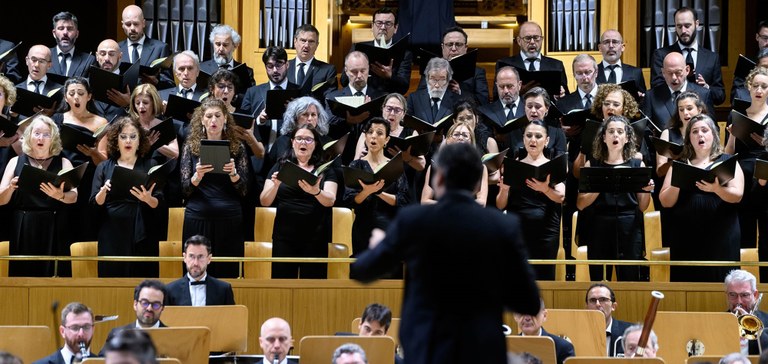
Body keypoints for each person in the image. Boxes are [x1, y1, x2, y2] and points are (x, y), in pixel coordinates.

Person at [351, 142, 541, 364]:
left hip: (427, 348)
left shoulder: (413, 220)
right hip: (481, 350)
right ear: (476, 183)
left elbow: (363, 270)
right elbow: (529, 303)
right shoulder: (502, 226)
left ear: (439, 178)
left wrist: (379, 246)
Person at [659, 114, 743, 282]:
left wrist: (716, 189)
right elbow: (665, 201)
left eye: (705, 130)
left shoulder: (727, 161)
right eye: (695, 132)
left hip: (721, 235)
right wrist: (679, 179)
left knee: (721, 281)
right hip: (685, 236)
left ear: (713, 134)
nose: (700, 135)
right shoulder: (679, 164)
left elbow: (737, 196)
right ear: (689, 138)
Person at [577, 115, 654, 281]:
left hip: (629, 225)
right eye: (611, 131)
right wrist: (602, 184)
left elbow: (642, 207)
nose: (615, 135)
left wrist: (647, 190)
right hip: (599, 225)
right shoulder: (593, 165)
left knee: (629, 278)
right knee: (598, 277)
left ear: (627, 138)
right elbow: (581, 204)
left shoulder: (636, 164)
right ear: (604, 137)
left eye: (620, 132)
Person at [0, 116, 76, 277]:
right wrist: (10, 188)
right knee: (23, 275)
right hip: (23, 225)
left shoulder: (63, 163)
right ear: (29, 136)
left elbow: (74, 197)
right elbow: (1, 200)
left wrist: (60, 195)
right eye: (37, 133)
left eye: (46, 134)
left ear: (53, 138)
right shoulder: (15, 161)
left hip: (53, 226)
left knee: (53, 276)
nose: (41, 138)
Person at [181, 98, 249, 278]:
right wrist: (197, 176)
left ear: (225, 118)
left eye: (218, 116)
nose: (213, 120)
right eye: (209, 116)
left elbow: (244, 191)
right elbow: (184, 190)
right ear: (202, 120)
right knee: (196, 272)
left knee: (227, 274)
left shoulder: (237, 148)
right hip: (198, 216)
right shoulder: (191, 147)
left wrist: (234, 174)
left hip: (229, 218)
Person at [260, 124, 337, 278]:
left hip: (316, 236)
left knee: (313, 287)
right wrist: (275, 186)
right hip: (284, 236)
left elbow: (330, 200)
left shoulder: (325, 169)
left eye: (308, 139)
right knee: (282, 284)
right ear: (292, 142)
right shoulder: (280, 166)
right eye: (299, 139)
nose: (303, 143)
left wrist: (316, 192)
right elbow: (264, 201)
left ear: (315, 144)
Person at [91, 117, 161, 277]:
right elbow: (94, 205)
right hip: (111, 232)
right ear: (116, 141)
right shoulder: (103, 167)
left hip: (142, 230)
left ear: (140, 140)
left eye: (133, 136)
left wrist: (148, 198)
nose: (128, 141)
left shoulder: (150, 165)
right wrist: (102, 193)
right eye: (123, 136)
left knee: (142, 280)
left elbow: (160, 203)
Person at [497, 119, 565, 280]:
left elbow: (561, 196)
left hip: (546, 232)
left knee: (545, 278)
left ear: (546, 141)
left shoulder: (553, 165)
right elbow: (500, 204)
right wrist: (504, 190)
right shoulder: (513, 165)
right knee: (518, 278)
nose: (533, 140)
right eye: (528, 135)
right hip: (518, 230)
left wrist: (545, 189)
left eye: (538, 136)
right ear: (523, 139)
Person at [344, 118, 409, 259]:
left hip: (388, 226)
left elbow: (402, 200)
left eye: (379, 133)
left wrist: (379, 193)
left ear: (387, 140)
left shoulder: (395, 166)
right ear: (366, 137)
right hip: (363, 227)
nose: (373, 136)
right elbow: (349, 200)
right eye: (370, 132)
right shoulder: (356, 165)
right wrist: (366, 191)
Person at [54, 77, 108, 246]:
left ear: (89, 96)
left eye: (80, 93)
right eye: (71, 93)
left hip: (89, 179)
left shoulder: (101, 122)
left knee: (86, 226)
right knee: (63, 228)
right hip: (65, 179)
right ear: (65, 97)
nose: (76, 97)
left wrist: (93, 153)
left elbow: (104, 161)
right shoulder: (57, 119)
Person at [725, 67, 768, 258]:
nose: (759, 90)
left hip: (766, 173)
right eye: (755, 85)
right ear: (748, 87)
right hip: (742, 175)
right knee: (744, 228)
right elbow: (728, 153)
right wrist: (732, 136)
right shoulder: (737, 114)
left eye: (764, 86)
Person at [650, 7, 725, 105]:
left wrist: (706, 87)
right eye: (679, 26)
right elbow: (656, 90)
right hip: (671, 114)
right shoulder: (661, 55)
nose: (683, 31)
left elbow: (720, 96)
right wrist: (683, 81)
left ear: (697, 24)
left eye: (687, 25)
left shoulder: (712, 58)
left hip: (702, 116)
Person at [327, 51, 387, 165]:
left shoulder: (381, 97)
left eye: (363, 71)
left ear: (368, 69)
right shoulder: (333, 97)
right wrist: (348, 121)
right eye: (354, 71)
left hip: (373, 159)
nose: (359, 76)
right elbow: (327, 124)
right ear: (346, 70)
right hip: (341, 158)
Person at [240, 46, 299, 160]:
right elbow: (243, 125)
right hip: (260, 157)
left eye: (279, 64)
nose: (275, 70)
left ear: (287, 65)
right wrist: (259, 120)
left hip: (290, 156)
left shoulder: (299, 92)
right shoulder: (252, 93)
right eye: (270, 66)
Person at [644, 52, 716, 139]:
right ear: (663, 72)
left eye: (678, 72)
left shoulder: (704, 94)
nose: (674, 77)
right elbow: (646, 130)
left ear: (687, 70)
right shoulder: (651, 96)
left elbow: (713, 128)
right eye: (669, 73)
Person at [343, 7, 413, 95]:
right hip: (363, 98)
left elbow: (404, 88)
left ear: (395, 28)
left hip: (389, 101)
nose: (383, 27)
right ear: (372, 26)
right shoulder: (358, 48)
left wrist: (390, 76)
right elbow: (343, 81)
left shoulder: (405, 53)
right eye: (379, 23)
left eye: (388, 24)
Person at [263, 96, 332, 183]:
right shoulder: (282, 141)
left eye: (313, 115)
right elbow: (269, 170)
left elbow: (335, 172)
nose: (310, 119)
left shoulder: (327, 142)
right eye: (305, 114)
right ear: (295, 118)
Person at [416, 26, 489, 105]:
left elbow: (483, 102)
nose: (454, 48)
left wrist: (460, 93)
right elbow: (418, 98)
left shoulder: (478, 72)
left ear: (466, 47)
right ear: (442, 47)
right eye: (449, 44)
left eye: (458, 44)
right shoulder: (431, 69)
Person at [421, 122, 489, 206]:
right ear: (448, 140)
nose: (460, 138)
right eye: (456, 134)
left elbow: (482, 202)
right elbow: (425, 201)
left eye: (465, 135)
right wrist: (453, 205)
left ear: (471, 141)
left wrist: (453, 205)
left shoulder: (480, 168)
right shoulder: (435, 167)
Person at [495, 21, 569, 98]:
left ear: (542, 40)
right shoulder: (505, 65)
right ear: (519, 41)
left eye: (536, 38)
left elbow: (566, 98)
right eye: (528, 38)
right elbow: (496, 97)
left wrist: (562, 95)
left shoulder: (556, 65)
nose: (532, 42)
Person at [166, 234, 236, 306]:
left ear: (209, 259)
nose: (196, 263)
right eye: (191, 256)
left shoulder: (223, 289)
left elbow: (231, 316)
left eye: (200, 257)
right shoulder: (170, 290)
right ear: (184, 257)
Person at [102, 279, 168, 351]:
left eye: (156, 305)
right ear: (135, 304)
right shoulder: (117, 334)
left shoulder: (172, 336)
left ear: (162, 308)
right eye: (144, 303)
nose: (149, 308)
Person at [119, 4, 173, 89]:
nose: (132, 28)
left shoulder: (160, 48)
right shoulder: (117, 49)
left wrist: (156, 82)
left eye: (136, 24)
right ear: (122, 25)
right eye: (128, 24)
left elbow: (170, 85)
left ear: (143, 23)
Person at [199, 24, 255, 96]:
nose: (221, 49)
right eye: (218, 44)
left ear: (235, 46)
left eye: (225, 45)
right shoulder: (201, 68)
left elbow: (251, 98)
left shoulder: (247, 72)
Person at [513, 299, 575, 364]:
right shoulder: (508, 346)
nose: (527, 318)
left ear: (544, 315)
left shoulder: (563, 348)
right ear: (515, 316)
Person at [724, 269, 768, 355]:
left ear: (755, 295)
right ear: (727, 295)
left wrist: (753, 327)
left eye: (744, 295)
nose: (739, 301)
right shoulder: (716, 322)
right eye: (733, 295)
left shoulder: (767, 321)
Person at [288, 24, 337, 98]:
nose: (306, 45)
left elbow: (329, 99)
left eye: (311, 42)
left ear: (317, 45)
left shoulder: (328, 70)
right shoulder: (284, 67)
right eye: (303, 40)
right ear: (295, 41)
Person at [596, 29, 647, 99]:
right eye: (606, 42)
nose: (611, 46)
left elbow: (644, 101)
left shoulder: (636, 72)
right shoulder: (591, 73)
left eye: (615, 42)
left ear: (622, 47)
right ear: (600, 48)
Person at [584, 283, 632, 356]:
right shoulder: (577, 332)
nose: (597, 304)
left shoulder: (630, 333)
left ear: (613, 306)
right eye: (593, 300)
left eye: (603, 299)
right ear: (586, 307)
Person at [406, 57, 458, 124]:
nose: (437, 85)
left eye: (442, 80)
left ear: (448, 80)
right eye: (433, 79)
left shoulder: (456, 100)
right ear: (427, 79)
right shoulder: (414, 98)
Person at [17, 45, 62, 117]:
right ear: (27, 61)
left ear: (49, 65)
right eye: (33, 60)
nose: (36, 65)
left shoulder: (60, 91)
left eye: (41, 61)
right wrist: (11, 114)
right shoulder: (14, 89)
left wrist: (52, 115)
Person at [48, 12, 95, 79]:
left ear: (77, 34)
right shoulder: (44, 56)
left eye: (70, 29)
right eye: (61, 28)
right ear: (54, 33)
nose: (65, 33)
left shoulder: (89, 60)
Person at [93, 39, 131, 120]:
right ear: (97, 56)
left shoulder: (132, 82)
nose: (106, 58)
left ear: (120, 56)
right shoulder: (87, 83)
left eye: (111, 54)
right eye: (102, 54)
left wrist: (128, 105)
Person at [732, 20, 768, 102]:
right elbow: (736, 96)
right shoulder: (746, 64)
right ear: (757, 37)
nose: (767, 42)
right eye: (765, 38)